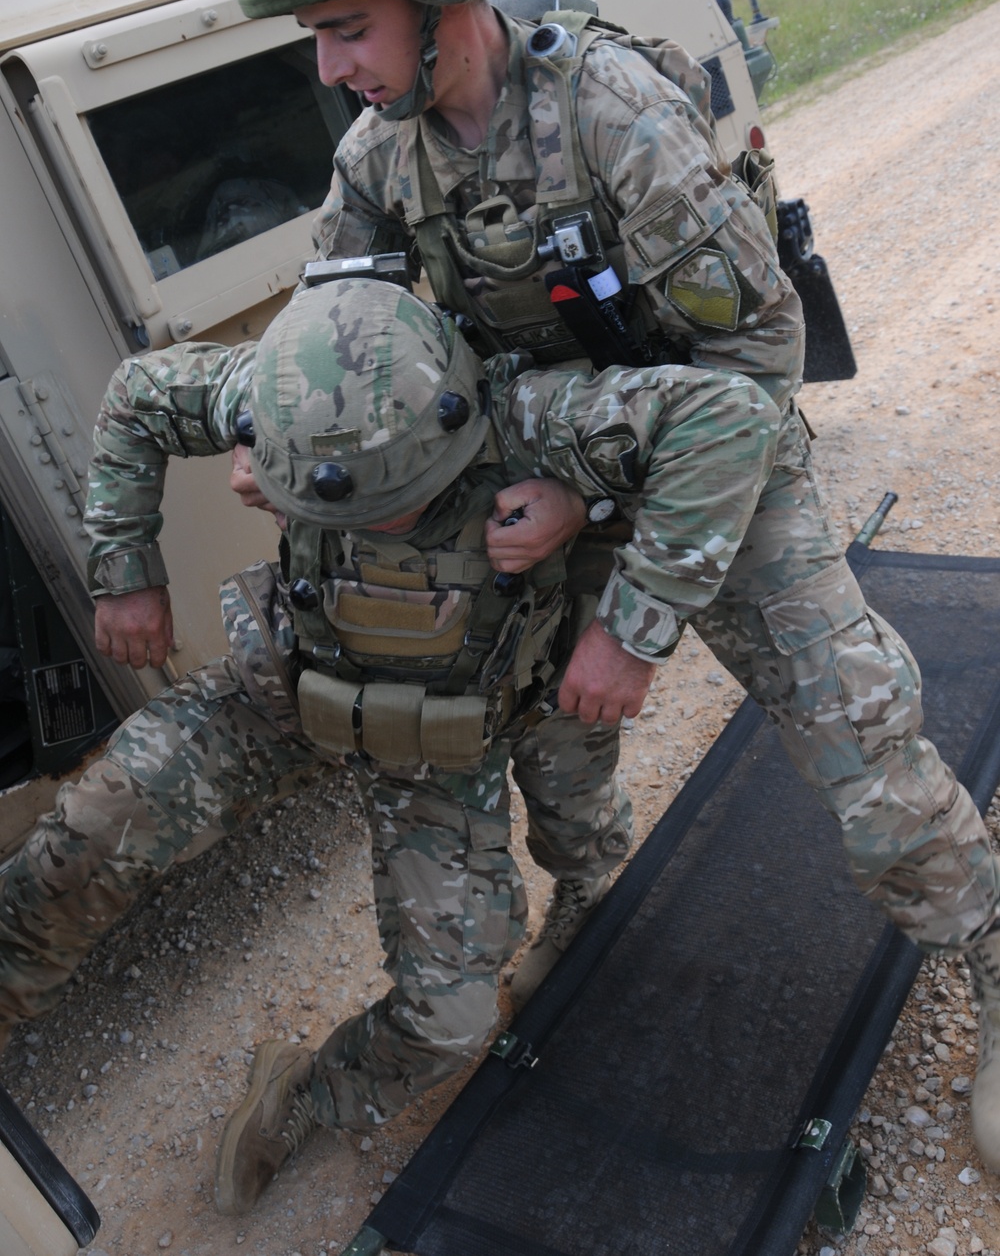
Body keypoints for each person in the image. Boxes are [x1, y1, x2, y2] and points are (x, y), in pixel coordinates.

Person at [228, 0, 1000, 1170]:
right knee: (531, 722)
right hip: (543, 460)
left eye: (346, 27)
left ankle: (987, 950)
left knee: (856, 742)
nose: (331, 66)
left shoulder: (608, 112)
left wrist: (631, 612)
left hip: (717, 454)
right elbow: (328, 347)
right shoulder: (380, 163)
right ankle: (588, 894)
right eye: (320, 36)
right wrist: (274, 434)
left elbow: (758, 364)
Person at [0, 277, 780, 1214]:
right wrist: (124, 567)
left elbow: (735, 417)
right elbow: (138, 394)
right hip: (293, 682)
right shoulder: (280, 392)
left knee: (454, 1018)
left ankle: (309, 1088)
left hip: (450, 736)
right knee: (88, 831)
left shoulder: (524, 415)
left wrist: (628, 623)